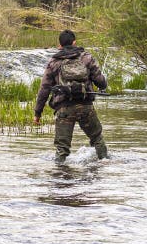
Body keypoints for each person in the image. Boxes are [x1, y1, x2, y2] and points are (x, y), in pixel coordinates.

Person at [33, 30, 108, 162]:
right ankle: (104, 164)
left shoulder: (54, 62)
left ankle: (60, 176)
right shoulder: (86, 58)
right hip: (86, 107)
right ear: (74, 42)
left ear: (59, 45)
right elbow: (100, 81)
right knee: (97, 139)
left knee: (62, 149)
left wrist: (37, 113)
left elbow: (44, 89)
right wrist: (103, 86)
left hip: (64, 109)